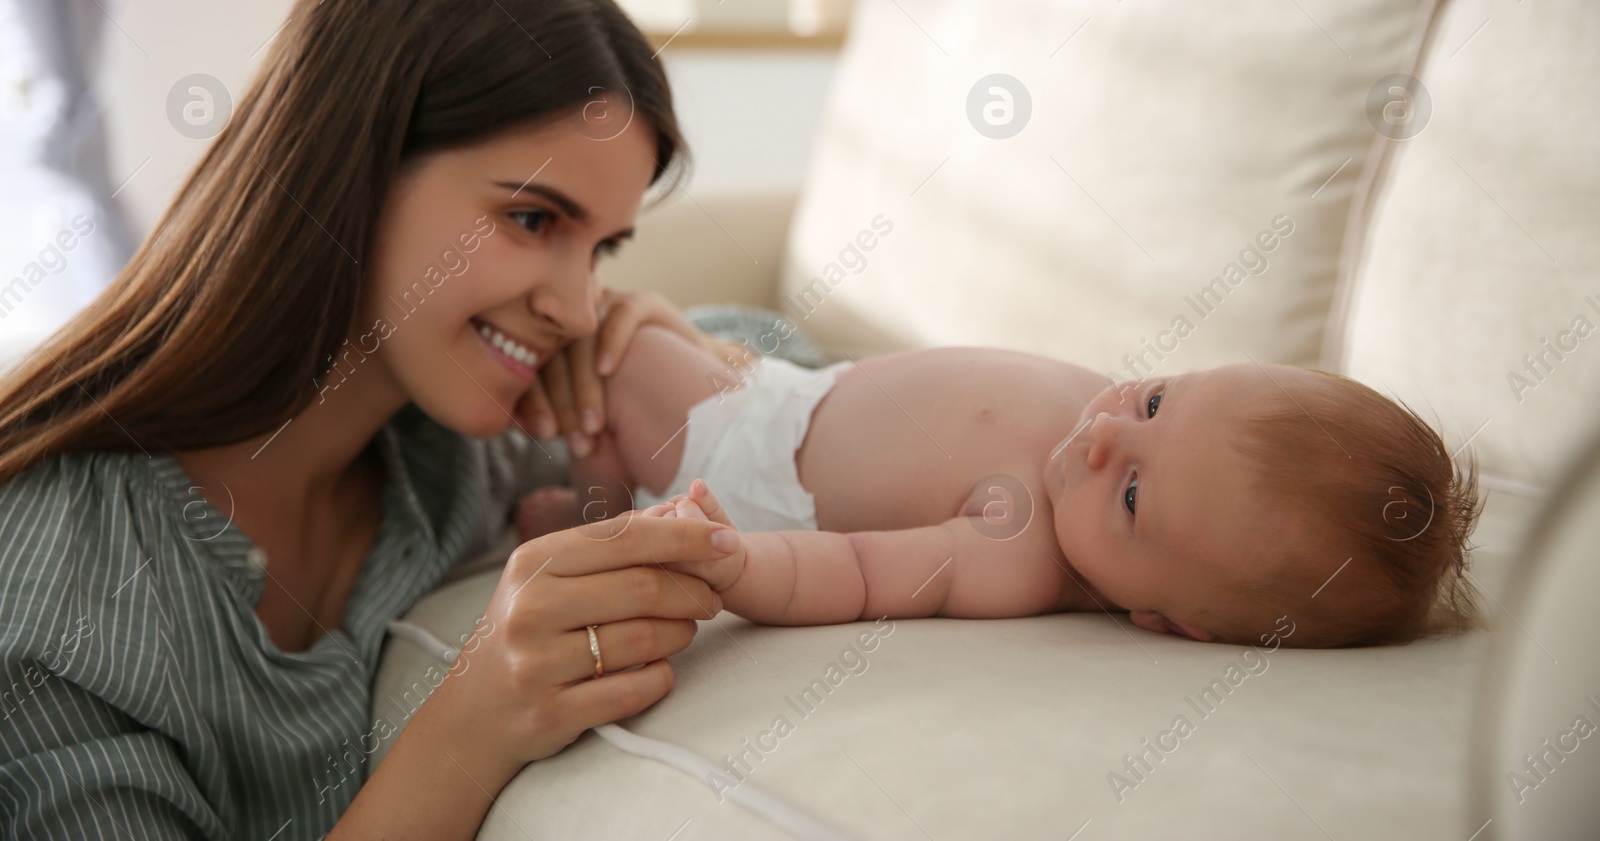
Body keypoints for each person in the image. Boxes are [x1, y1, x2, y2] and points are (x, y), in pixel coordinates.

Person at [0, 0, 748, 840]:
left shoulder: (456, 443)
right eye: (532, 220)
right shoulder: (54, 591)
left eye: (602, 249)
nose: (580, 306)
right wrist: (467, 731)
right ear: (355, 162)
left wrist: (677, 352)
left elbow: (814, 409)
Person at [517, 325, 1485, 649]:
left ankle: (594, 487)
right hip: (788, 384)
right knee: (644, 345)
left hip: (753, 453)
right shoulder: (1097, 442)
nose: (1105, 432)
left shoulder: (1018, 554)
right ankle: (588, 492)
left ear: (1167, 619)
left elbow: (857, 571)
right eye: (1154, 396)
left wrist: (738, 561)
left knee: (620, 349)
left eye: (1135, 497)